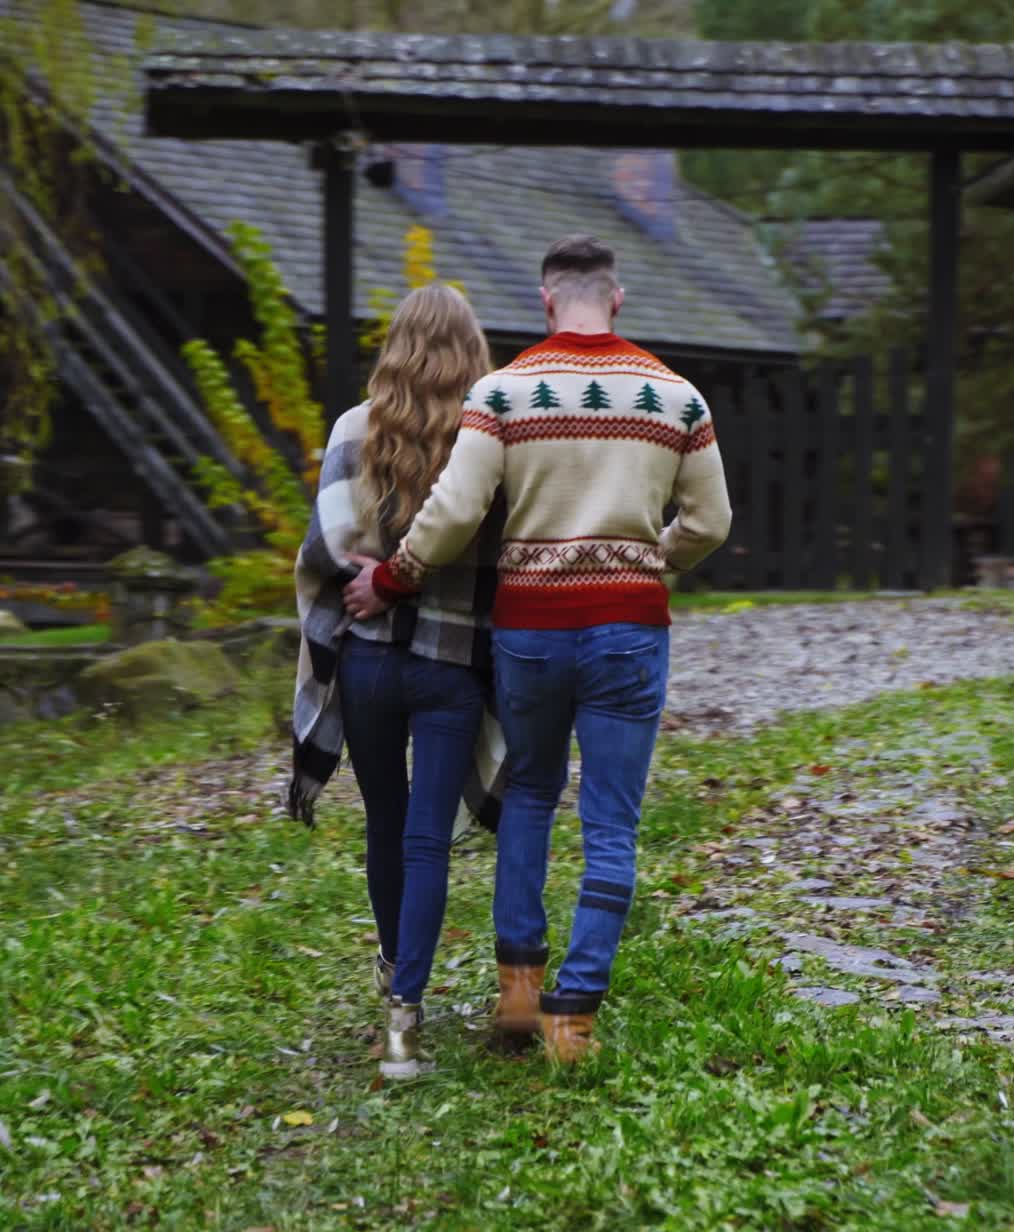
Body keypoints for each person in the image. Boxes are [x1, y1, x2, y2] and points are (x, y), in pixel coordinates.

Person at [343, 235, 731, 1063]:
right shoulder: (678, 399)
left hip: (530, 633)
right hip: (629, 629)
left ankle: (518, 998)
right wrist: (652, 559)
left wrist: (397, 577)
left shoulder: (505, 392)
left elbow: (451, 513)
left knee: (527, 794)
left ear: (547, 300)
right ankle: (574, 1017)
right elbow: (712, 523)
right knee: (612, 821)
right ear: (616, 298)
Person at [290, 283, 505, 1080]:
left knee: (386, 822)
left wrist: (375, 575)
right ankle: (404, 1023)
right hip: (452, 667)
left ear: (398, 344)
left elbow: (327, 547)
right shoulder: (493, 431)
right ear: (471, 347)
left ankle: (391, 971)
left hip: (371, 663)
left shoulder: (355, 428)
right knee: (427, 840)